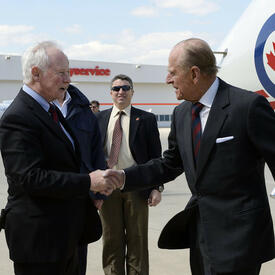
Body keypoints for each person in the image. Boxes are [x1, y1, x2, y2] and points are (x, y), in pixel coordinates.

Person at [105, 38, 275, 275]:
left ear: (194, 73)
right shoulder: (182, 113)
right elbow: (170, 163)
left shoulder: (247, 107)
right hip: (201, 238)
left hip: (240, 239)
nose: (167, 80)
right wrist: (122, 177)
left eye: (173, 73)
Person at [0, 41, 115, 275]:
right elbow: (30, 178)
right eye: (61, 73)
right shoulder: (18, 117)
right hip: (40, 242)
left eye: (69, 73)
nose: (68, 80)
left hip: (64, 236)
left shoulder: (49, 111)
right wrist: (88, 182)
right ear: (35, 73)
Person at [96, 74, 163, 275]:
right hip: (107, 188)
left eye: (126, 88)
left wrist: (156, 188)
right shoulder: (98, 118)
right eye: (116, 88)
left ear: (132, 92)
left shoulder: (146, 119)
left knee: (138, 240)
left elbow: (156, 158)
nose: (121, 92)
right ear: (110, 93)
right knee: (111, 239)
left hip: (136, 187)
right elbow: (92, 155)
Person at [53, 84, 106, 275]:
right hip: (51, 193)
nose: (63, 77)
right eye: (59, 72)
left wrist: (99, 192)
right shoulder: (39, 107)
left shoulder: (84, 110)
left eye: (66, 72)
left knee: (77, 255)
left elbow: (96, 152)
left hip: (81, 194)